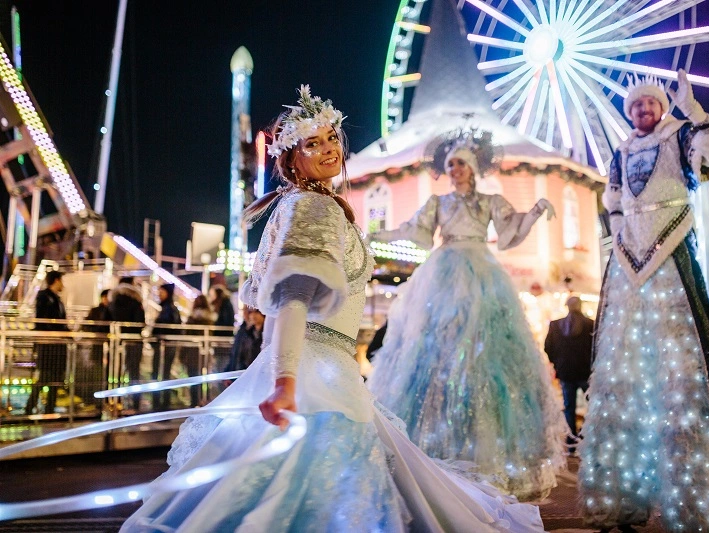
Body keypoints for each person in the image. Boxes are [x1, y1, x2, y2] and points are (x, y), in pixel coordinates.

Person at [121, 86, 544, 532]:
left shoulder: (301, 205)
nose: (329, 150)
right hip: (314, 374)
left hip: (318, 368)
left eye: (331, 139)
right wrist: (285, 381)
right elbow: (291, 298)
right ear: (291, 158)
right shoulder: (314, 207)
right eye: (312, 143)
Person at [578, 70, 709, 532]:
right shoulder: (622, 150)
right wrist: (620, 234)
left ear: (661, 107)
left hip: (672, 252)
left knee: (681, 370)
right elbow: (612, 201)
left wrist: (693, 108)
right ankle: (618, 498)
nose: (642, 112)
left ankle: (693, 505)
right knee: (620, 375)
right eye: (635, 108)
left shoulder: (681, 136)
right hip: (628, 263)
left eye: (649, 105)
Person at [365, 137, 567, 500]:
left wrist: (535, 212)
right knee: (433, 348)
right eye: (450, 165)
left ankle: (489, 454)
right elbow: (413, 230)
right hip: (444, 271)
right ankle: (431, 450)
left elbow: (509, 233)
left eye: (460, 163)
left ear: (472, 168)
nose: (454, 170)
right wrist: (376, 234)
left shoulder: (489, 202)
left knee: (487, 353)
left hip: (482, 272)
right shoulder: (438, 203)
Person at [544, 295, 594, 454]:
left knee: (569, 407)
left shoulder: (555, 325)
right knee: (591, 405)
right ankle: (587, 435)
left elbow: (548, 347)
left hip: (565, 372)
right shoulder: (590, 325)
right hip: (586, 372)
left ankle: (571, 439)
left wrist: (557, 362)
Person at [25, 270, 68, 415]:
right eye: (61, 280)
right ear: (56, 280)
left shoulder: (57, 299)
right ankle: (30, 408)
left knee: (55, 378)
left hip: (57, 345)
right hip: (48, 343)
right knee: (44, 377)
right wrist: (58, 332)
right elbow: (42, 319)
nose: (63, 284)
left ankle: (49, 409)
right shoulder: (45, 296)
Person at [109, 277, 146, 411]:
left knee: (115, 373)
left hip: (115, 342)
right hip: (133, 342)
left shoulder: (113, 301)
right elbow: (140, 322)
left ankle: (115, 402)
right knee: (134, 373)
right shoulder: (136, 302)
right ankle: (135, 403)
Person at [151, 283, 183, 411]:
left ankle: (160, 405)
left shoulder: (169, 309)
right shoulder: (167, 308)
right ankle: (160, 404)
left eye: (162, 291)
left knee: (161, 374)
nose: (159, 294)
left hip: (164, 347)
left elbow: (168, 328)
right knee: (162, 375)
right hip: (163, 347)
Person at [182, 294, 216, 407]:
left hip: (192, 352)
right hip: (205, 352)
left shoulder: (192, 319)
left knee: (193, 379)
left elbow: (186, 337)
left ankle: (194, 402)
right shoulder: (210, 319)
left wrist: (182, 354)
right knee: (203, 378)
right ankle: (204, 401)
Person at [223, 307, 265, 373]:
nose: (253, 315)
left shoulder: (265, 334)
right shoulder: (247, 332)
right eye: (250, 312)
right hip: (244, 371)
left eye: (256, 312)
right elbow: (237, 354)